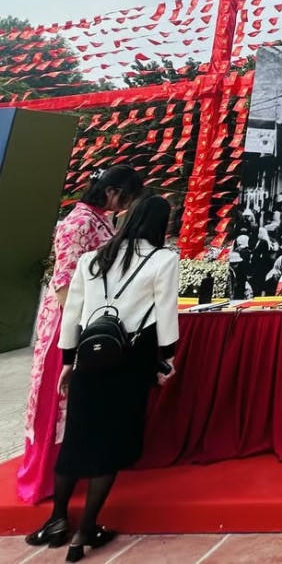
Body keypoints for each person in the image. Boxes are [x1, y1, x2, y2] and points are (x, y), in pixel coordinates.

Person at [27, 195, 179, 559]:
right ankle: (86, 530)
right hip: (131, 360)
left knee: (77, 438)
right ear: (160, 224)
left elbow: (72, 313)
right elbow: (166, 313)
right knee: (110, 443)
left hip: (88, 357)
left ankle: (58, 519)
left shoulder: (92, 259)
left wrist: (69, 361)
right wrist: (167, 359)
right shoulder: (164, 259)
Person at [18, 165, 145, 509]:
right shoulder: (78, 222)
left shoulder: (100, 219)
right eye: (125, 198)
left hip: (90, 313)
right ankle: (50, 472)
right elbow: (63, 281)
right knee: (60, 396)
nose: (125, 206)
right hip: (70, 320)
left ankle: (73, 465)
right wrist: (79, 326)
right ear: (113, 191)